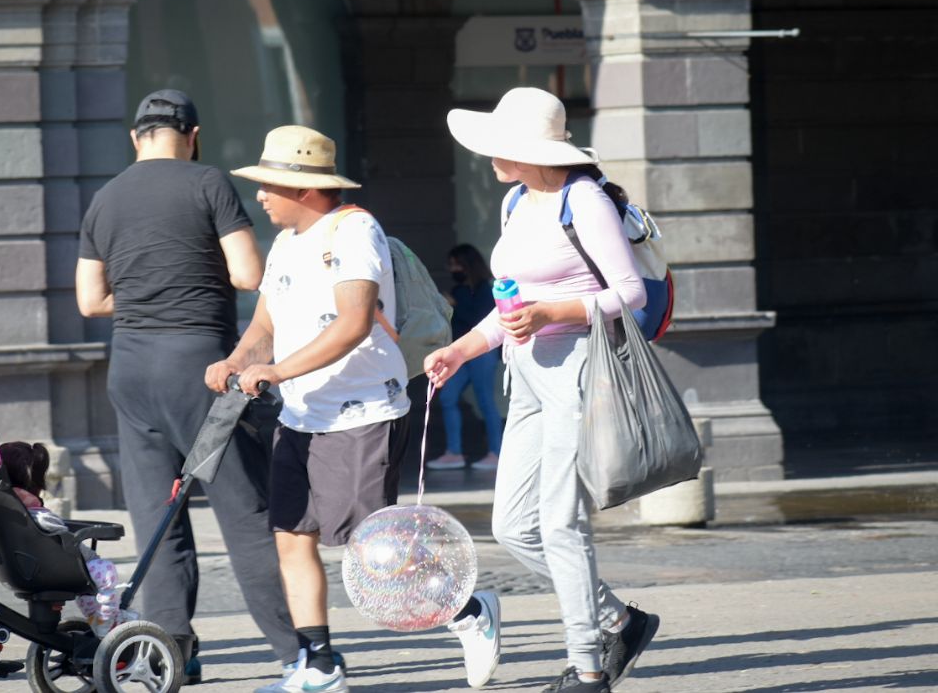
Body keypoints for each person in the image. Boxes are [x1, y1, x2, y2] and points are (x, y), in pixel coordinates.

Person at [425, 87, 660, 692]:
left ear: (535, 150)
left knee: (560, 525)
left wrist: (553, 311)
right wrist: (460, 349)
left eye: (501, 146)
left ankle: (587, 669)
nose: (490, 157)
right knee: (512, 527)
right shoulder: (515, 202)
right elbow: (509, 306)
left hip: (579, 376)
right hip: (525, 379)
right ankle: (618, 621)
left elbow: (630, 293)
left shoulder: (582, 200)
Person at [76, 89, 297, 681]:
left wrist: (150, 293)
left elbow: (90, 300)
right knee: (246, 513)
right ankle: (298, 652)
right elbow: (248, 273)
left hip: (131, 370)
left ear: (135, 137)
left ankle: (171, 651)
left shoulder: (105, 198)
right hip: (200, 368)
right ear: (193, 134)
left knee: (158, 517)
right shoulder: (208, 183)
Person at [208, 125, 412, 693]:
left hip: (361, 412)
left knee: (374, 552)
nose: (261, 196)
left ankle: (467, 609)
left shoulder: (355, 230)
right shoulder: (285, 245)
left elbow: (354, 323)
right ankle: (319, 664)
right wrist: (236, 360)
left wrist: (275, 370)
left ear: (304, 188)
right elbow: (264, 328)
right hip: (300, 417)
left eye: (270, 184)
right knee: (291, 537)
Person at [0, 441, 138, 637]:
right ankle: (108, 622)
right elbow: (60, 536)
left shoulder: (8, 509)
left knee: (88, 585)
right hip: (55, 568)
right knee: (105, 572)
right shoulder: (38, 516)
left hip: (29, 567)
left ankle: (95, 617)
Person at [426, 244, 505, 471]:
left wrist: (455, 306)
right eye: (451, 265)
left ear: (468, 264)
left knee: (485, 402)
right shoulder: (460, 290)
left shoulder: (485, 290)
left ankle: (496, 453)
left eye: (456, 264)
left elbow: (481, 321)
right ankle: (454, 452)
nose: (453, 268)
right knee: (448, 398)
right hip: (460, 354)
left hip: (482, 353)